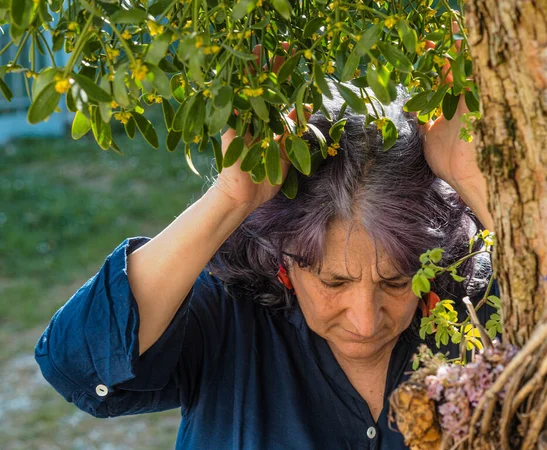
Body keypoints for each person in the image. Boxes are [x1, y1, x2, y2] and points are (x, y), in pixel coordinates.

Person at [34, 80, 494, 449]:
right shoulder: (227, 312)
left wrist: (473, 181)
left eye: (395, 283)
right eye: (334, 282)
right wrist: (231, 199)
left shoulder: (476, 310)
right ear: (282, 262)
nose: (365, 320)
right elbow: (78, 365)